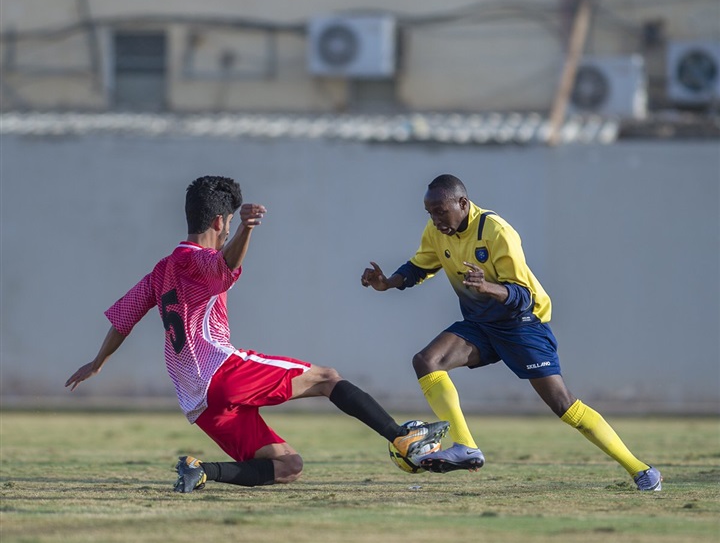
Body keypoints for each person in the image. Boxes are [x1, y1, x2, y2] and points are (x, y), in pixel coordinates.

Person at [66, 176, 448, 493]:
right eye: (229, 222)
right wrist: (248, 229)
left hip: (196, 401)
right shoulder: (194, 259)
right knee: (328, 378)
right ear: (220, 221)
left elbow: (124, 319)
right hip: (221, 371)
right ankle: (403, 437)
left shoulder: (161, 270)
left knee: (288, 466)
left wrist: (98, 362)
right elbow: (225, 264)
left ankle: (200, 470)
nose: (229, 227)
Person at [360, 173, 662, 491]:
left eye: (440, 211)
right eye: (430, 213)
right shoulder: (437, 231)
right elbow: (420, 266)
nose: (435, 220)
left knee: (563, 404)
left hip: (521, 324)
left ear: (462, 204)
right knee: (426, 361)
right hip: (480, 325)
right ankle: (466, 447)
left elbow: (523, 295)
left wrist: (488, 287)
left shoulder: (496, 231)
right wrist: (388, 282)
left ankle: (641, 470)